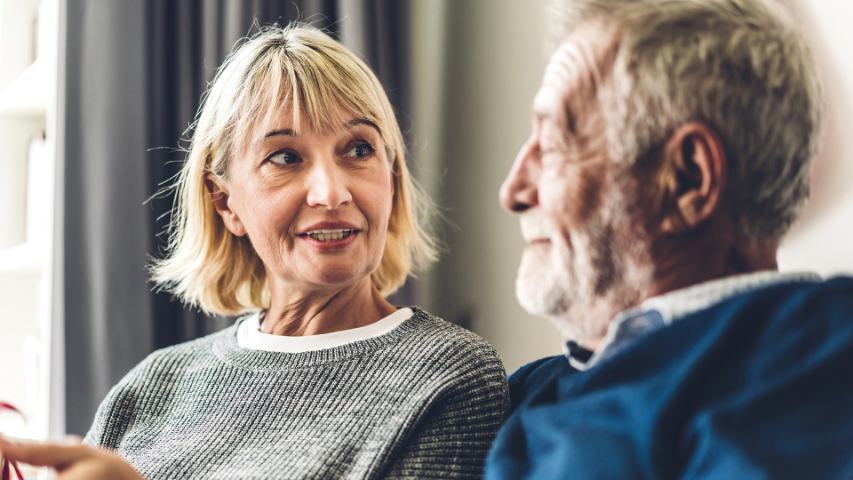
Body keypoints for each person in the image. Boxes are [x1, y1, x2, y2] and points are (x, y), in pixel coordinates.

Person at [0, 24, 508, 479]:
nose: (331, 193)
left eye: (359, 149)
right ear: (225, 202)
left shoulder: (449, 376)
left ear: (392, 175)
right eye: (285, 157)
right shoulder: (153, 385)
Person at [483, 0, 853, 478]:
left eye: (552, 145)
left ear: (685, 180)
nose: (512, 191)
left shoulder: (820, 360)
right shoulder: (515, 391)